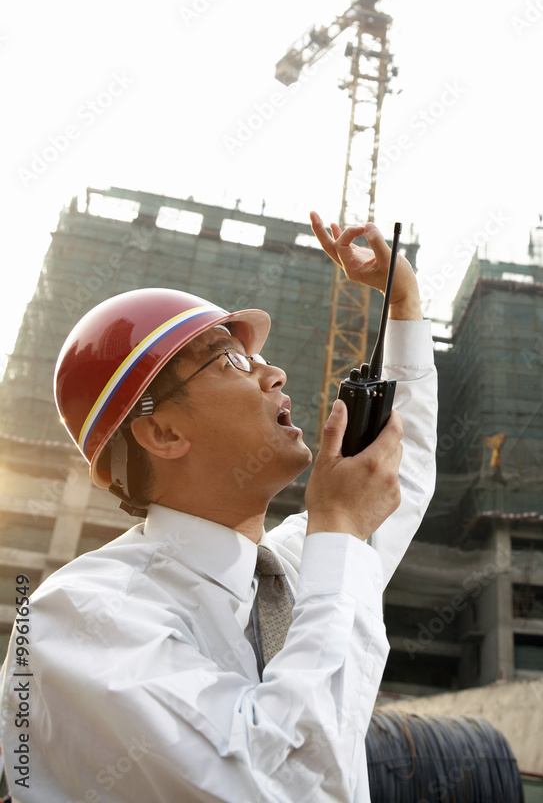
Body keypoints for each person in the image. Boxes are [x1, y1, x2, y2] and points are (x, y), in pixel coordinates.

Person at [0, 212, 437, 803]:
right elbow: (276, 781)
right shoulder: (80, 617)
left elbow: (395, 474)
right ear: (162, 433)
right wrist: (337, 526)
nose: (274, 374)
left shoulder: (298, 567)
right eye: (232, 362)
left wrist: (404, 304)